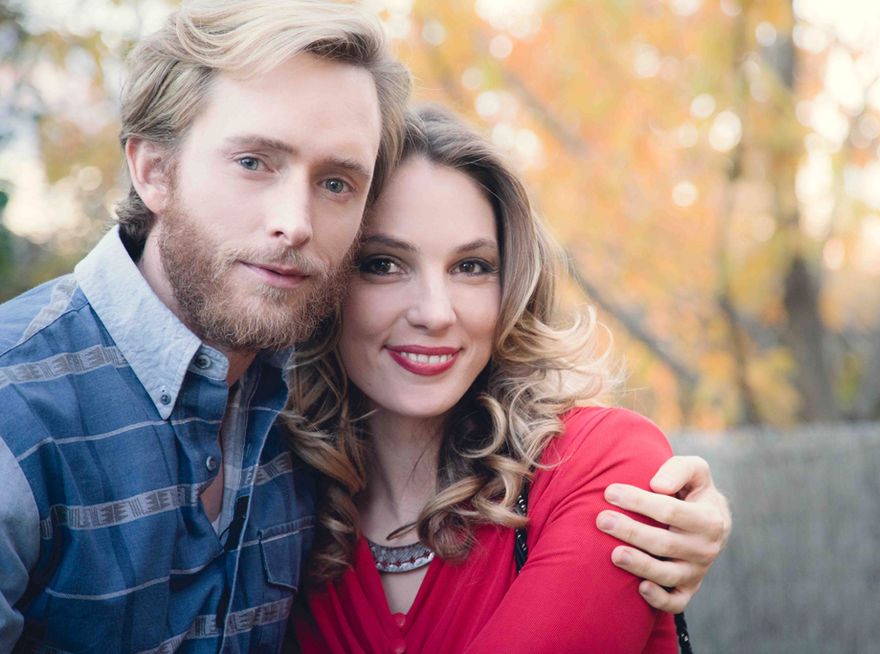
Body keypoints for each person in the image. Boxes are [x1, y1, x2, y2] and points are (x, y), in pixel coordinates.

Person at [0, 1, 728, 651]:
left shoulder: (282, 438)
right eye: (254, 161)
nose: (295, 222)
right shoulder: (20, 412)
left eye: (336, 183)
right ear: (153, 170)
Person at [285, 106, 712, 653]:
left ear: (510, 286)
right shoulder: (277, 499)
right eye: (384, 264)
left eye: (471, 267)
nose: (435, 313)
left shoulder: (605, 464)